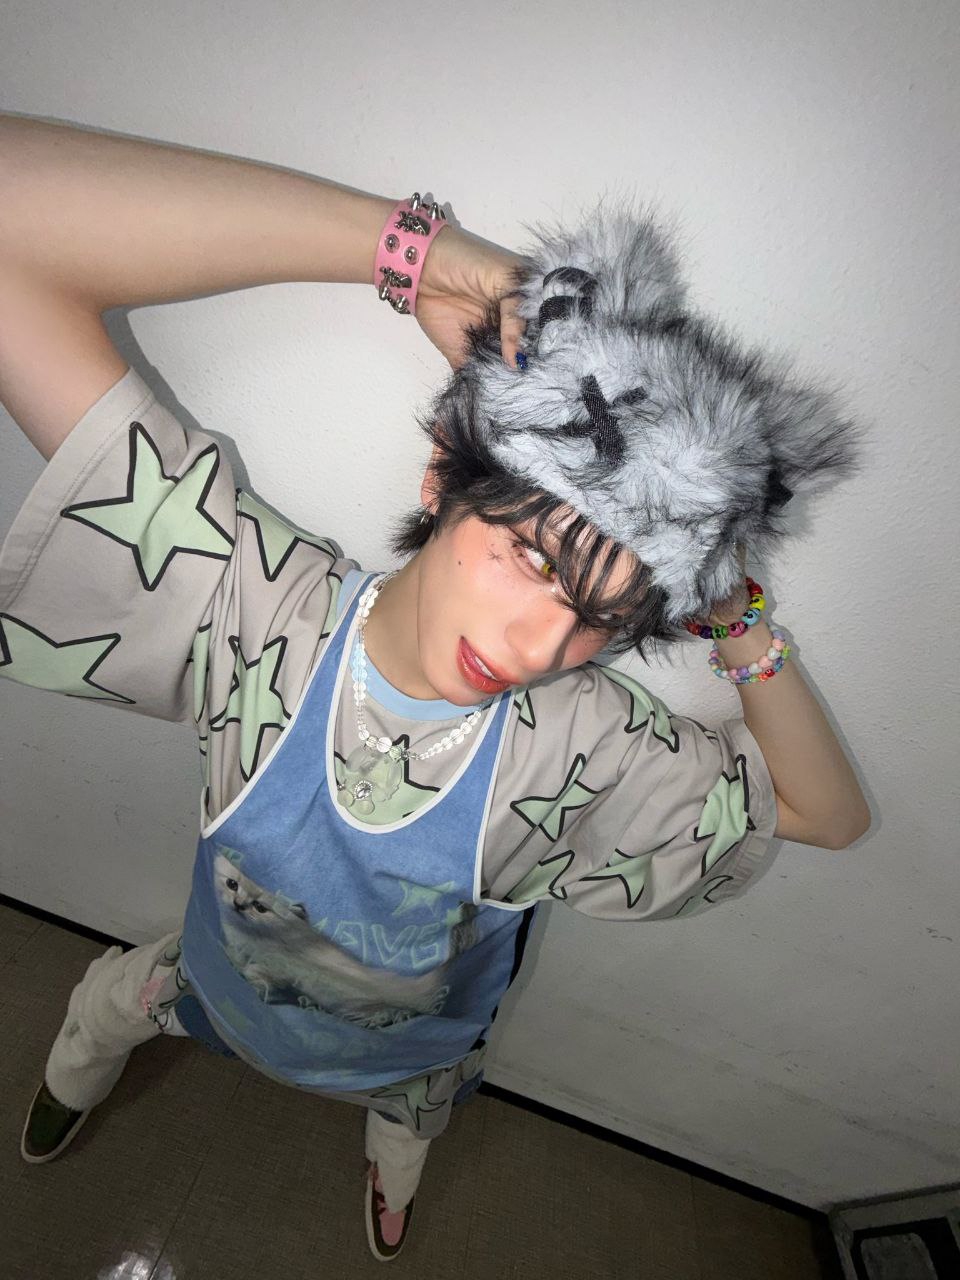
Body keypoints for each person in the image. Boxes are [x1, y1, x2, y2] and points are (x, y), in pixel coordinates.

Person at [0, 115, 870, 1262]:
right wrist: (417, 252)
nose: (543, 643)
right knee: (113, 1005)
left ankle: (392, 1161)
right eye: (532, 557)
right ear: (443, 480)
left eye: (600, 618)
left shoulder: (572, 743)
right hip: (210, 978)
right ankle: (74, 1071)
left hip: (409, 1055)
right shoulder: (255, 607)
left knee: (411, 1120)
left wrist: (735, 611)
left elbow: (825, 814)